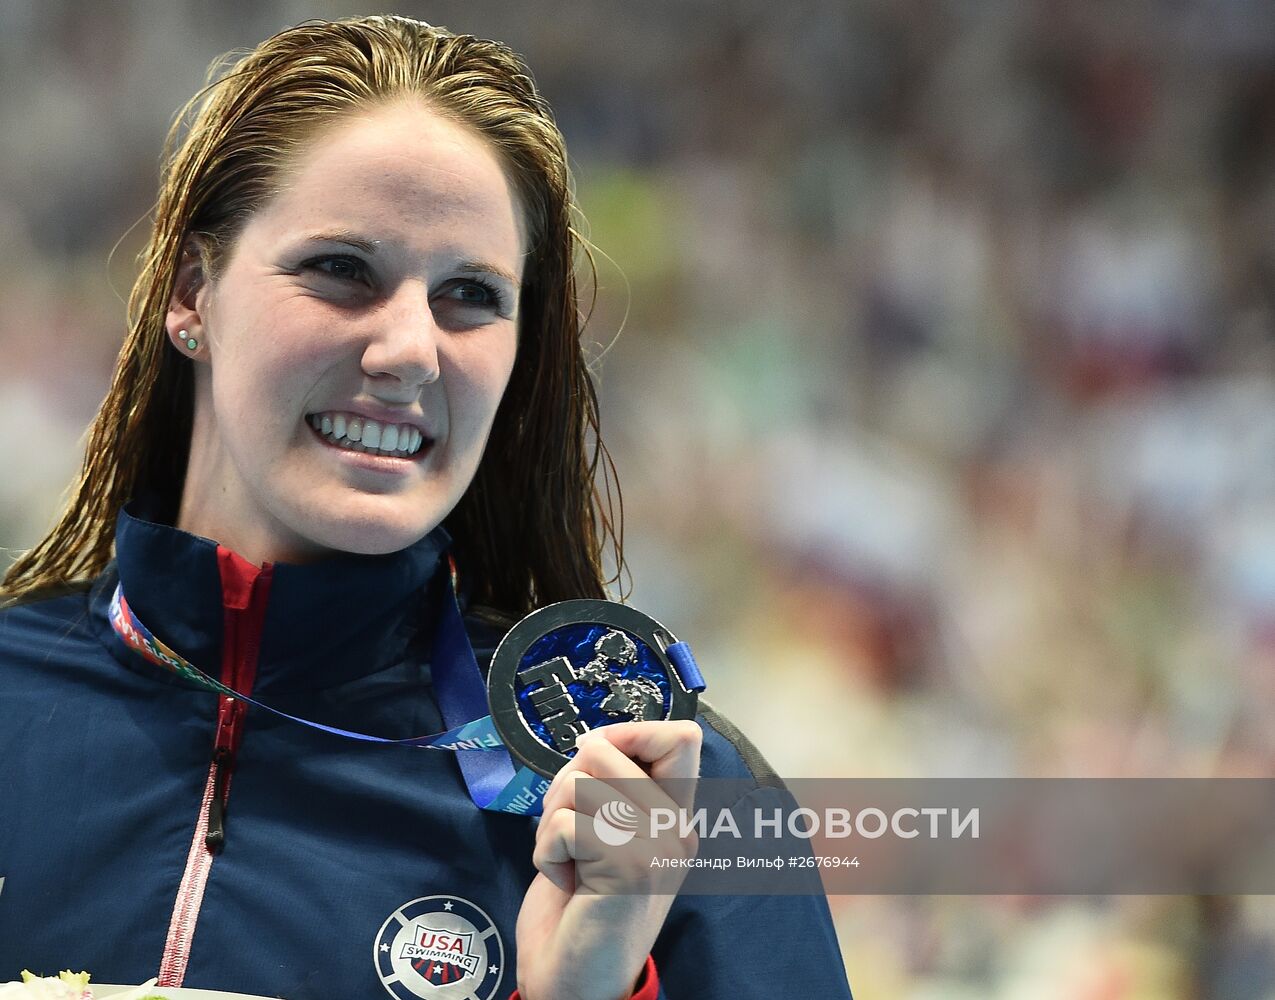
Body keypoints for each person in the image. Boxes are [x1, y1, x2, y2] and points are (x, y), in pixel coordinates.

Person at [0, 16, 852, 1000]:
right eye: (340, 270)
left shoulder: (660, 804)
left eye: (469, 295)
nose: (410, 349)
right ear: (195, 289)